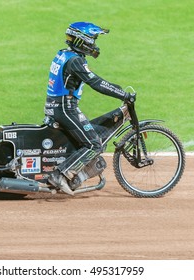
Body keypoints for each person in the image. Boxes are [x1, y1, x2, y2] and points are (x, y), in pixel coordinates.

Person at [45, 21, 134, 195]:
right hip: (65, 107)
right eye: (92, 40)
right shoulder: (76, 61)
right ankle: (60, 174)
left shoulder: (64, 54)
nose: (94, 44)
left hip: (56, 105)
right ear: (82, 41)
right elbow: (96, 82)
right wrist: (123, 95)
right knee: (94, 144)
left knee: (87, 136)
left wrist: (117, 89)